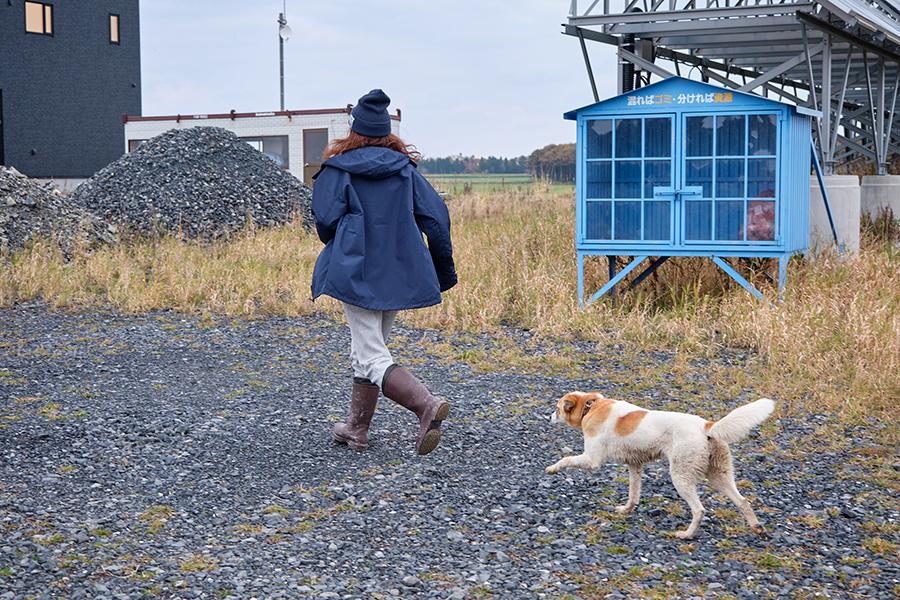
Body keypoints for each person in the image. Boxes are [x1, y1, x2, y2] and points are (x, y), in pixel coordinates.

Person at [310, 89, 457, 456]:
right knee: (371, 352)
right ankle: (357, 429)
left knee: (372, 354)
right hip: (399, 269)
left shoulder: (338, 169)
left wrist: (344, 236)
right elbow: (437, 219)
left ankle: (425, 405)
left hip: (355, 269)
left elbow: (325, 220)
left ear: (354, 129)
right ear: (387, 130)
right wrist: (442, 270)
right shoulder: (405, 171)